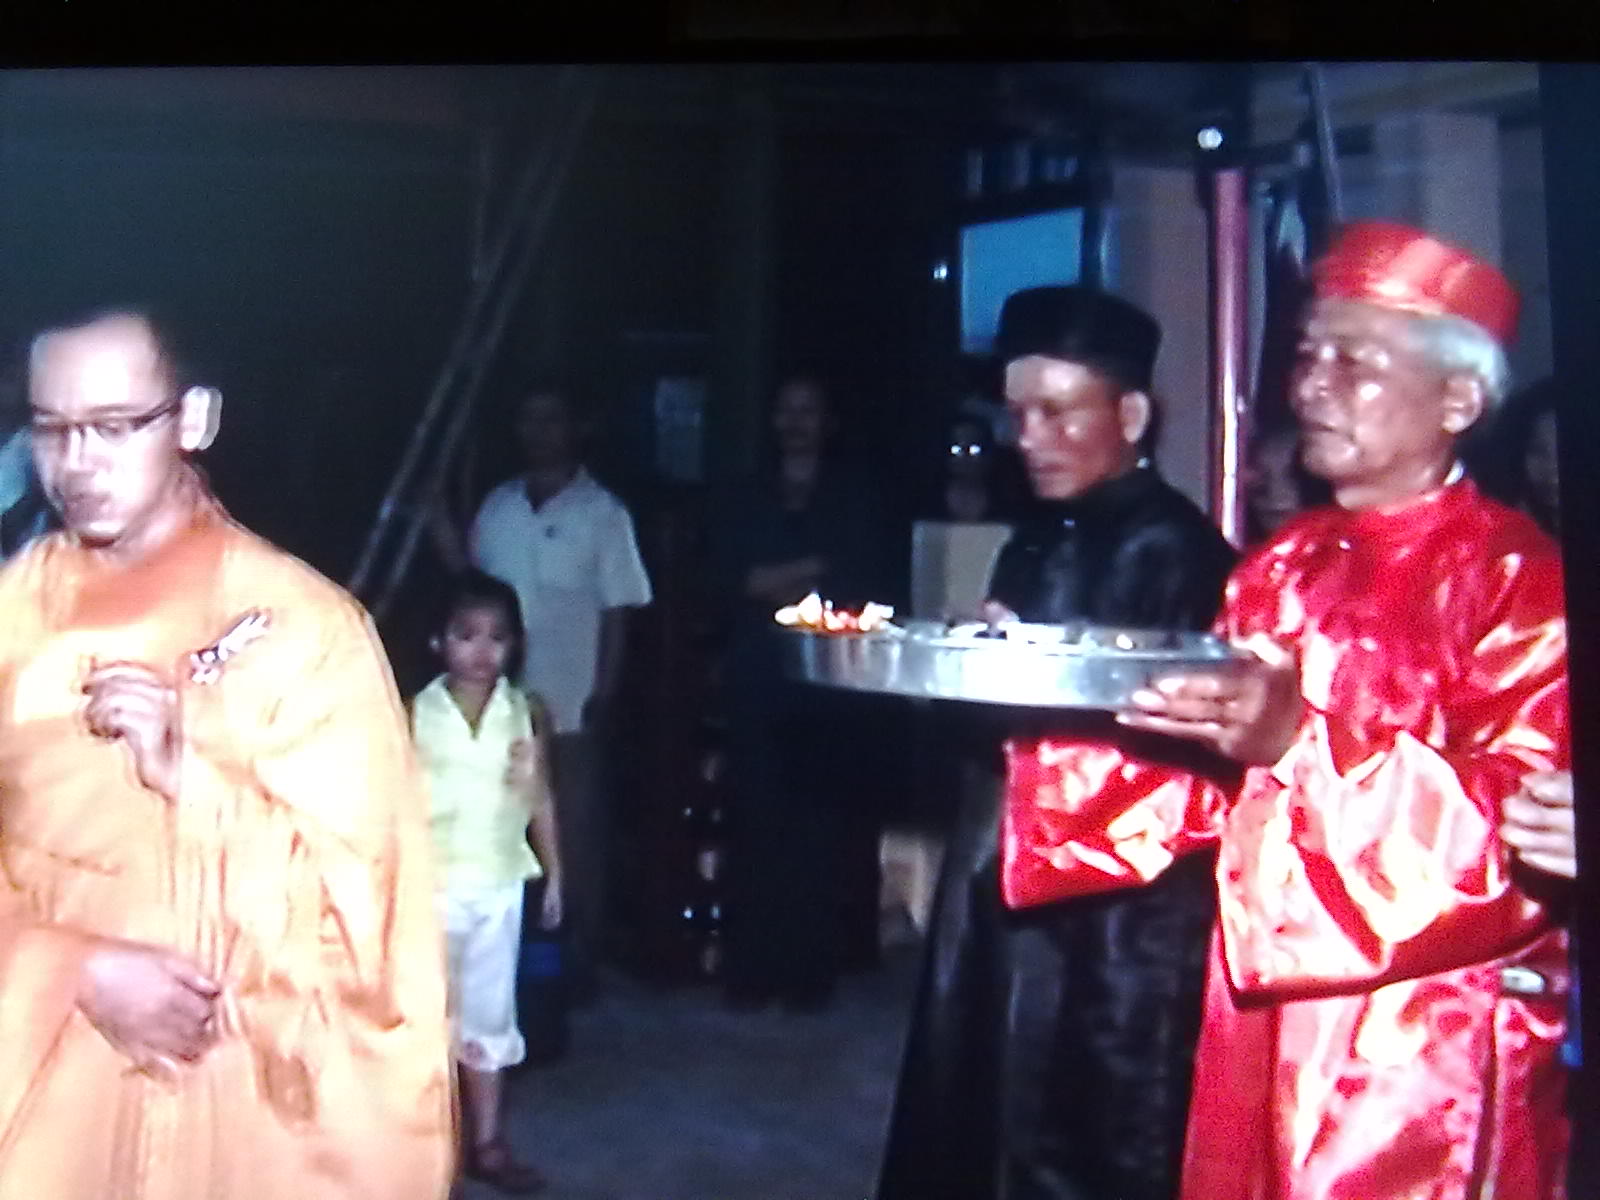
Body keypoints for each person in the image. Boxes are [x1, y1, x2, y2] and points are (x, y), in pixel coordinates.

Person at [1003, 222, 1571, 1199]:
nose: (1309, 387)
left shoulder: (1520, 579)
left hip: (1421, 1037)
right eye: (1307, 357)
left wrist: (1297, 741)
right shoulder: (1282, 566)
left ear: (1458, 400)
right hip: (1262, 1004)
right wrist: (1048, 694)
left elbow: (1515, 840)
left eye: (1354, 363)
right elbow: (1198, 779)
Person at [0, 309, 454, 1197]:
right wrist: (72, 967)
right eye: (51, 429)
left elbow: (371, 914)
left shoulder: (305, 629)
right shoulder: (16, 615)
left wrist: (193, 781)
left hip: (239, 1099)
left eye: (115, 426)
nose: (77, 464)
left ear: (194, 419)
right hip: (45, 1081)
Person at [878, 285, 1237, 1200]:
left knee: (1091, 1124)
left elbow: (1187, 755)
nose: (1028, 438)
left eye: (1056, 413)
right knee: (981, 1098)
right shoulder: (1037, 539)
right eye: (1017, 415)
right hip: (1002, 862)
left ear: (1132, 416)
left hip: (1118, 904)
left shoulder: (1179, 551)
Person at [714, 371, 898, 1011]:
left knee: (815, 829)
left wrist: (791, 581)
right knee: (754, 822)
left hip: (827, 685)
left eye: (808, 410)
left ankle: (807, 975)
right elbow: (736, 579)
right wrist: (815, 567)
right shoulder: (746, 493)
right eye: (786, 410)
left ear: (827, 422)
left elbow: (863, 584)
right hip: (757, 676)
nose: (796, 423)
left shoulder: (852, 495)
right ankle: (751, 973)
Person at [464, 381, 653, 1003]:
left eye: (552, 420)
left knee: (574, 834)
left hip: (570, 702)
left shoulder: (604, 513)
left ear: (576, 429)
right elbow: (471, 591)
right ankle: (515, 965)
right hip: (498, 706)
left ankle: (578, 964)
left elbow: (620, 608)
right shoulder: (498, 507)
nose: (539, 432)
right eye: (529, 420)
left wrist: (607, 690)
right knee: (501, 831)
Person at [410, 569, 564, 1195]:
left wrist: (556, 873)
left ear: (515, 644)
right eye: (466, 635)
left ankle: (489, 1143)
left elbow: (539, 797)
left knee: (490, 1016)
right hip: (429, 889)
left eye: (497, 637)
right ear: (438, 641)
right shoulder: (413, 714)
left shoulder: (522, 712)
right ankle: (426, 1150)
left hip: (499, 885)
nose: (481, 651)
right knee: (425, 1018)